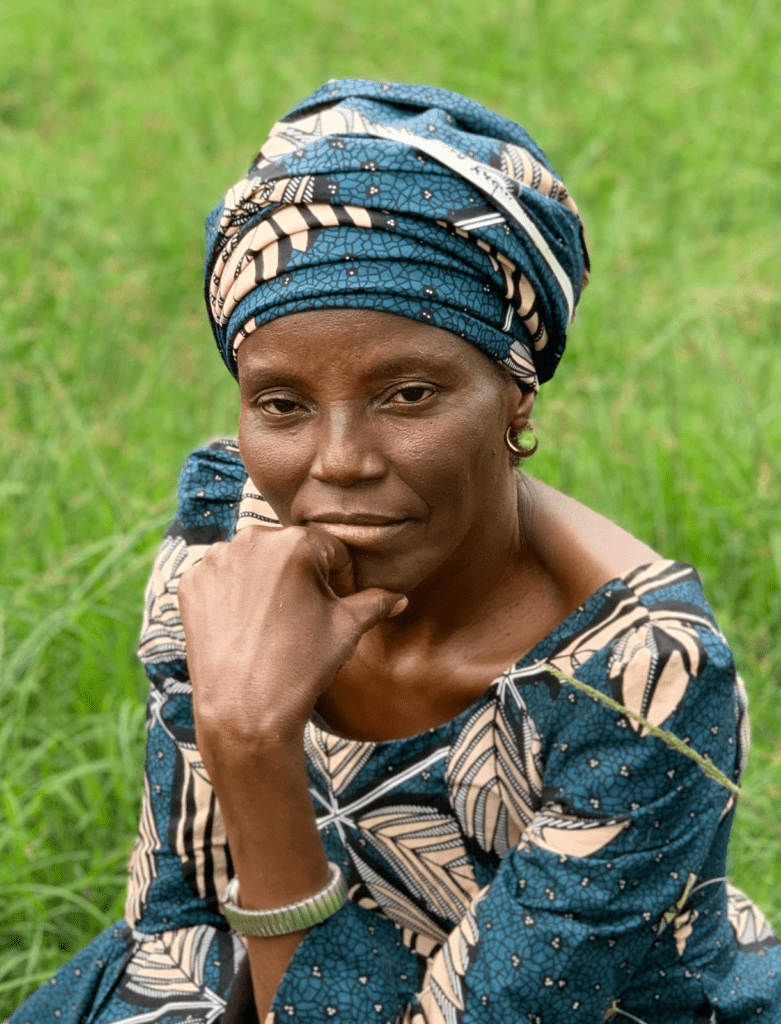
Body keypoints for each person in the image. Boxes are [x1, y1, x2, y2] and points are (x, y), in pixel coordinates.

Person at [9, 78, 781, 1024]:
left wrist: (254, 751)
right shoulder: (230, 538)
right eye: (282, 405)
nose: (337, 465)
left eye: (408, 394)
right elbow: (180, 926)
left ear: (515, 392)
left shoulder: (637, 677)